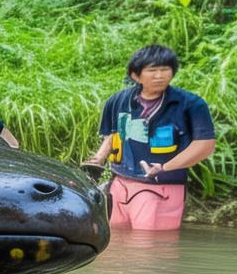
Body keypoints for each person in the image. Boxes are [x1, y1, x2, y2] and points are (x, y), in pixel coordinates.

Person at [83, 44, 215, 232]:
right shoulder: (117, 101)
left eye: (165, 70)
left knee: (149, 248)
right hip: (119, 184)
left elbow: (205, 145)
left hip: (162, 188)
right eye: (152, 70)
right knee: (114, 244)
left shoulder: (191, 104)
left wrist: (163, 168)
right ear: (135, 75)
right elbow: (114, 134)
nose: (160, 76)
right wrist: (98, 158)